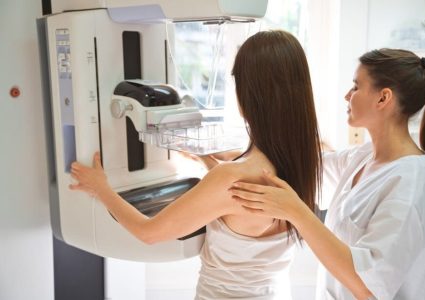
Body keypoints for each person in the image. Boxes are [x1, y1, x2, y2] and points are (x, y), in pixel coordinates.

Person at [69, 30, 322, 300]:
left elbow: (149, 233)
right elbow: (241, 199)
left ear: (250, 95)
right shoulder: (300, 162)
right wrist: (202, 156)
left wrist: (101, 188)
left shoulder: (230, 178)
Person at [230, 48, 425, 300]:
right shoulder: (365, 157)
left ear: (383, 98)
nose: (347, 95)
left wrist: (296, 211)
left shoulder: (409, 186)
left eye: (356, 87)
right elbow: (310, 167)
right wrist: (228, 158)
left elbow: (369, 288)